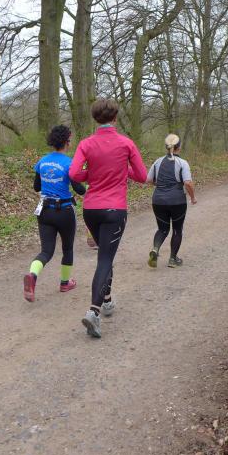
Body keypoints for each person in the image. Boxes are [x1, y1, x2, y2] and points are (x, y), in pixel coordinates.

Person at [69, 98, 148, 338]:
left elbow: (74, 174)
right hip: (114, 209)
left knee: (106, 254)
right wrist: (123, 170)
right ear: (115, 117)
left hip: (91, 209)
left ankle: (107, 300)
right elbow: (142, 176)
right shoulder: (126, 143)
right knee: (105, 258)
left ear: (95, 118)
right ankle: (93, 312)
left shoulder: (86, 143)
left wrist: (92, 173)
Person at [23, 125, 87, 302]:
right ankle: (65, 283)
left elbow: (36, 186)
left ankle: (32, 275)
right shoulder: (69, 163)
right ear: (67, 141)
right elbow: (79, 189)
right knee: (67, 248)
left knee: (46, 251)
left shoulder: (42, 161)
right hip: (64, 211)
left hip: (45, 211)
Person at [146, 134, 197, 268]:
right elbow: (188, 183)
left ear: (166, 147)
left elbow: (149, 180)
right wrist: (192, 197)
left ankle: (155, 249)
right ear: (179, 147)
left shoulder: (157, 162)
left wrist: (160, 185)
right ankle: (173, 259)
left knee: (162, 229)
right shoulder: (182, 163)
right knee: (177, 229)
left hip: (158, 200)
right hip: (177, 201)